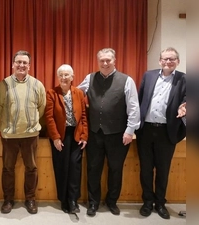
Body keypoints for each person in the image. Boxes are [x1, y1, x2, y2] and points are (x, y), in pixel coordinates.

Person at [77, 48, 140, 216]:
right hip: (94, 133)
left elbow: (134, 107)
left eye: (108, 60)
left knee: (115, 169)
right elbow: (76, 94)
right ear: (98, 62)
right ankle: (93, 202)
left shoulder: (127, 80)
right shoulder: (90, 78)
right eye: (102, 60)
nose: (105, 63)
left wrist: (130, 130)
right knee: (93, 168)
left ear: (114, 61)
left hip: (118, 134)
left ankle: (112, 201)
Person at [136, 47, 186, 220]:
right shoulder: (148, 76)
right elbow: (140, 99)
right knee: (146, 169)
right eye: (165, 59)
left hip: (167, 131)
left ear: (177, 61)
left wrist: (186, 105)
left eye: (172, 59)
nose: (168, 62)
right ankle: (147, 202)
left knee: (163, 170)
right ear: (160, 61)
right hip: (146, 130)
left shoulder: (184, 79)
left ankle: (160, 203)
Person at [0, 50, 46, 214]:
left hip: (30, 135)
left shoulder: (37, 85)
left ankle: (30, 199)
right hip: (9, 135)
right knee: (7, 168)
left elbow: (41, 107)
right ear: (13, 64)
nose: (21, 65)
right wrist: (10, 124)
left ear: (29, 66)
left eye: (25, 63)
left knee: (31, 168)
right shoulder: (4, 84)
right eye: (18, 62)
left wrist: (30, 123)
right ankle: (8, 200)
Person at [44, 64, 88, 214]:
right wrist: (55, 138)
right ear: (58, 77)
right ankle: (64, 200)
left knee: (75, 169)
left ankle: (73, 200)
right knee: (62, 167)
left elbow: (83, 116)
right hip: (60, 136)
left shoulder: (79, 93)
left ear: (72, 77)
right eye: (61, 75)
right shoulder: (51, 93)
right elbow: (49, 118)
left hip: (76, 134)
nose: (64, 77)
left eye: (67, 75)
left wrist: (84, 136)